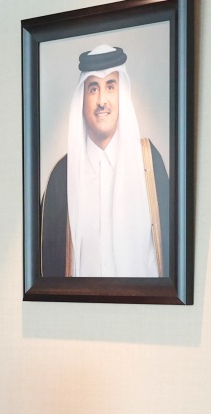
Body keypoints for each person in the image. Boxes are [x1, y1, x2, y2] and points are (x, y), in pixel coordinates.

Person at [40, 44, 170, 277]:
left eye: (110, 87)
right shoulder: (61, 177)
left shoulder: (148, 165)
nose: (102, 100)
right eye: (93, 89)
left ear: (122, 95)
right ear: (82, 99)